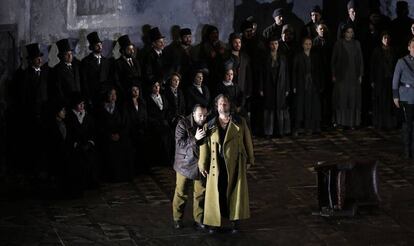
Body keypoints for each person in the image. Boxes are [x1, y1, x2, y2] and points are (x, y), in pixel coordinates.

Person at [198, 94, 254, 233]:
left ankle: (235, 222)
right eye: (220, 104)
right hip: (216, 164)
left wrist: (250, 159)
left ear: (230, 105)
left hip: (235, 164)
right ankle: (214, 223)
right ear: (216, 107)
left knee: (235, 192)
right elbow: (204, 146)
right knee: (217, 193)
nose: (223, 106)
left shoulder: (239, 122)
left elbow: (248, 141)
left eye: (225, 103)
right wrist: (202, 164)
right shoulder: (209, 125)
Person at [172, 104, 208, 230]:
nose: (202, 118)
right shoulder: (183, 124)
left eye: (204, 115)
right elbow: (180, 144)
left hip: (200, 165)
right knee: (181, 192)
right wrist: (195, 138)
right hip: (184, 164)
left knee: (200, 193)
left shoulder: (207, 124)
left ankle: (199, 219)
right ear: (193, 114)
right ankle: (177, 218)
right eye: (200, 115)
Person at [331, 25, 364, 129]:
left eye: (351, 32)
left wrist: (360, 74)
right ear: (344, 33)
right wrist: (333, 74)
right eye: (348, 32)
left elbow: (360, 60)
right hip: (341, 76)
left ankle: (351, 123)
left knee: (353, 98)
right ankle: (340, 122)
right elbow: (333, 60)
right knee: (341, 98)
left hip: (354, 75)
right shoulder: (339, 43)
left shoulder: (356, 43)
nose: (350, 34)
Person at [260, 36, 290, 137]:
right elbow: (261, 74)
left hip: (280, 86)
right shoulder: (264, 58)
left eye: (276, 44)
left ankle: (280, 131)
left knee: (280, 108)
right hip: (268, 86)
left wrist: (287, 88)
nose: (274, 46)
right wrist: (261, 88)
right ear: (269, 45)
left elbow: (286, 74)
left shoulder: (283, 57)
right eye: (272, 44)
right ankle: (269, 132)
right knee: (269, 109)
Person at [292, 37, 323, 135]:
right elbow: (294, 72)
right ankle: (297, 128)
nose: (308, 46)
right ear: (302, 45)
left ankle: (310, 127)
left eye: (310, 44)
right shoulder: (298, 56)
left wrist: (319, 84)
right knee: (300, 106)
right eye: (306, 44)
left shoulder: (315, 56)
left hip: (312, 84)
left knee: (311, 105)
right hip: (301, 83)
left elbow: (319, 71)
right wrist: (294, 86)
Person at [370, 32, 398, 129]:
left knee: (389, 102)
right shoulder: (377, 51)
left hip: (390, 79)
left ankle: (390, 123)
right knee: (380, 101)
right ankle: (380, 123)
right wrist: (372, 80)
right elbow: (372, 66)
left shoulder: (393, 50)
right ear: (381, 39)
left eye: (388, 38)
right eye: (384, 38)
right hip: (380, 79)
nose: (386, 39)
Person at [392, 38, 414, 159]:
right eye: (413, 46)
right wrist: (396, 96)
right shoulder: (402, 62)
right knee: (407, 125)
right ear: (409, 47)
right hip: (406, 96)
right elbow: (395, 80)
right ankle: (407, 151)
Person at [80, 31, 112, 110]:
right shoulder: (86, 61)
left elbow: (109, 78)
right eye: (97, 45)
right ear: (91, 47)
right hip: (92, 95)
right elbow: (84, 81)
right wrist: (88, 97)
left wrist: (108, 92)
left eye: (100, 44)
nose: (100, 46)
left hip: (105, 95)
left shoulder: (106, 61)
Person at [114, 34, 142, 100]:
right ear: (123, 51)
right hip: (126, 94)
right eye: (129, 49)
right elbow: (117, 80)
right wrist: (125, 91)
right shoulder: (118, 63)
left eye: (132, 49)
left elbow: (140, 76)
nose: (132, 51)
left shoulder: (136, 61)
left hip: (138, 93)